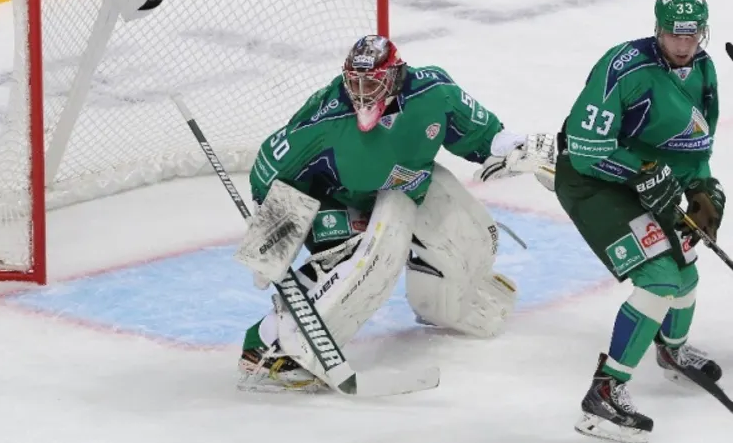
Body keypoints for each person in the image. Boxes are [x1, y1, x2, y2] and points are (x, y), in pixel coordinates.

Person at [235, 34, 555, 392]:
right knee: (357, 260)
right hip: (335, 200)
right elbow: (269, 166)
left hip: (404, 188)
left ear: (395, 75)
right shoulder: (327, 117)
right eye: (354, 82)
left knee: (473, 237)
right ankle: (269, 347)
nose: (361, 93)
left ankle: (446, 303)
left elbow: (486, 136)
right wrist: (272, 229)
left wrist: (518, 149)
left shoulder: (433, 92)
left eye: (371, 82)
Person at [553, 0, 726, 443]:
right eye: (674, 35)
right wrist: (643, 173)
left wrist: (703, 189)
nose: (683, 45)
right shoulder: (623, 68)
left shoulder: (704, 70)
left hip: (648, 181)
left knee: (685, 269)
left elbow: (697, 147)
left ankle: (671, 352)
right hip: (592, 181)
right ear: (657, 29)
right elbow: (586, 151)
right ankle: (603, 394)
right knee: (659, 278)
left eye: (692, 35)